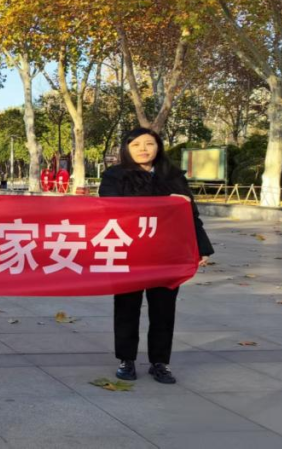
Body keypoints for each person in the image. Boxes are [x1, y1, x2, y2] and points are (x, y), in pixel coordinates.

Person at [98, 127, 213, 385]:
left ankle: (160, 363)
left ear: (158, 147)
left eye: (149, 144)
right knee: (126, 307)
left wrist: (200, 247)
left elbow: (190, 214)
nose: (143, 149)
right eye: (136, 144)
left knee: (164, 309)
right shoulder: (114, 176)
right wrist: (165, 201)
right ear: (126, 148)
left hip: (167, 252)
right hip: (129, 252)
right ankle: (126, 360)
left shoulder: (172, 175)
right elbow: (112, 207)